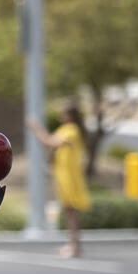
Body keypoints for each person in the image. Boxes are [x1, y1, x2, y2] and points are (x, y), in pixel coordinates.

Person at [26, 100, 90, 258]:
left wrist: (35, 127)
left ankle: (74, 247)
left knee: (71, 211)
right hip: (64, 175)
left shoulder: (71, 130)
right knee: (69, 211)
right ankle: (72, 244)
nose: (61, 116)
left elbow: (48, 142)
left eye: (64, 113)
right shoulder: (66, 129)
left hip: (70, 177)